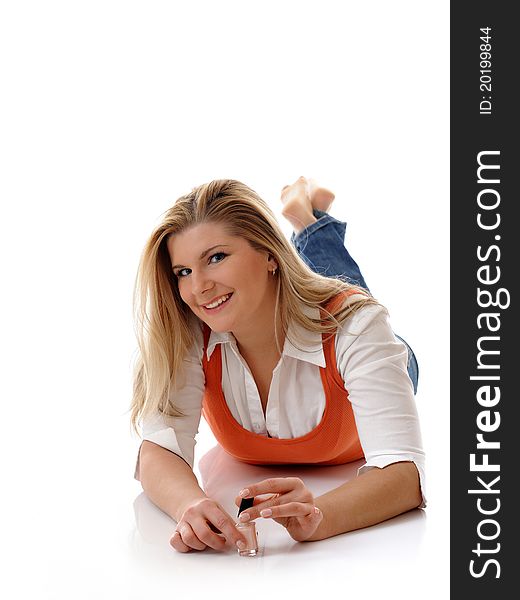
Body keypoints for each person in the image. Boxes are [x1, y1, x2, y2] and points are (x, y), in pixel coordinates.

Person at [131, 176, 425, 554]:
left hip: (381, 353)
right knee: (325, 288)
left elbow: (404, 474)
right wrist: (189, 504)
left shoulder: (357, 327)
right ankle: (311, 218)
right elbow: (159, 449)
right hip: (299, 305)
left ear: (271, 253)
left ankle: (311, 225)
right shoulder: (187, 334)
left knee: (345, 291)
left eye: (216, 257)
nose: (198, 287)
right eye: (183, 272)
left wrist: (318, 513)